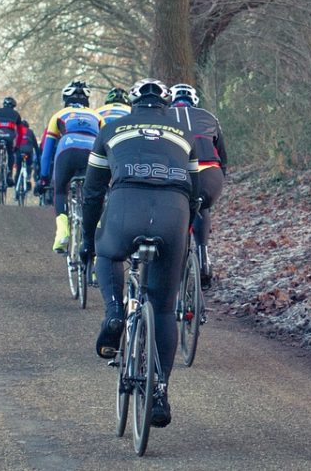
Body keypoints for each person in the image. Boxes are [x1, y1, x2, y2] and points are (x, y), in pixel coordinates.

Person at [80, 78, 199, 429]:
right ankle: (159, 391)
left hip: (124, 207)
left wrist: (88, 240)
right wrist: (184, 237)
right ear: (165, 105)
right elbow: (194, 193)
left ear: (134, 104)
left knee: (108, 253)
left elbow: (91, 192)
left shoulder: (111, 129)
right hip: (172, 212)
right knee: (163, 308)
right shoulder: (183, 132)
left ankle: (114, 314)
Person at [169, 83, 227, 289]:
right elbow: (222, 156)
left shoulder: (164, 116)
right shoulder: (209, 117)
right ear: (195, 101)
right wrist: (220, 180)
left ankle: (173, 260)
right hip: (211, 173)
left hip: (179, 172)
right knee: (203, 206)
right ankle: (203, 257)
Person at [37, 80, 99, 254]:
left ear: (65, 98)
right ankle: (95, 247)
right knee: (96, 194)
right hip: (91, 151)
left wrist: (43, 178)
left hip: (67, 149)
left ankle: (62, 231)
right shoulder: (97, 116)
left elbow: (47, 151)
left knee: (61, 190)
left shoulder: (59, 115)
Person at [0, 97, 21, 196]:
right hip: (9, 137)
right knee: (11, 153)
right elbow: (20, 131)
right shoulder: (16, 114)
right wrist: (17, 146)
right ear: (13, 106)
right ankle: (9, 175)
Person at [15, 119, 39, 190]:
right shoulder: (30, 132)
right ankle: (28, 177)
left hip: (19, 152)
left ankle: (16, 191)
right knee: (29, 164)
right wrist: (38, 155)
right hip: (28, 152)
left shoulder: (17, 131)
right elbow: (35, 145)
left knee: (18, 171)